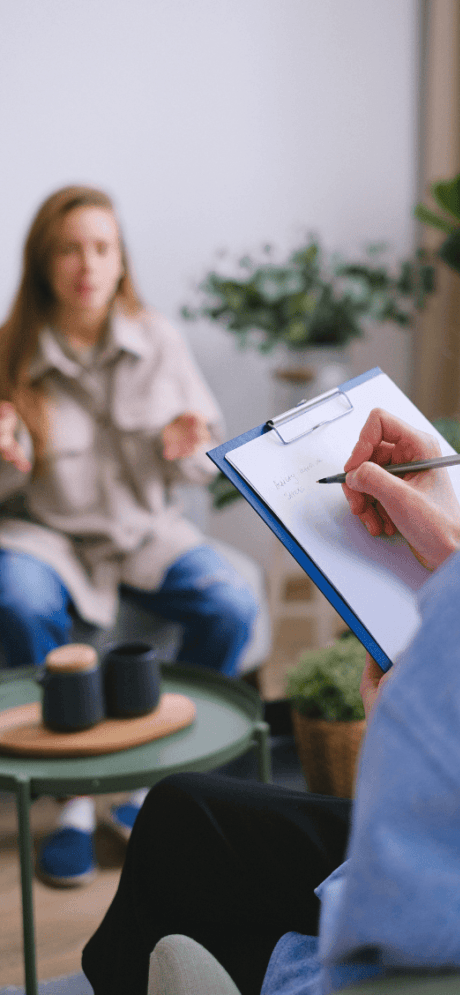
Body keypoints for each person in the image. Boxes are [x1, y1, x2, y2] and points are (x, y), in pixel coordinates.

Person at [82, 0, 460, 991]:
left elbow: (365, 972)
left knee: (189, 817)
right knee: (190, 809)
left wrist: (398, 765)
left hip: (389, 921)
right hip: (72, 544)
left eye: (100, 246)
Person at [0, 185, 259, 886]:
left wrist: (186, 452)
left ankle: (155, 786)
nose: (86, 263)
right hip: (48, 538)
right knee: (17, 597)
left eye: (101, 247)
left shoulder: (160, 340)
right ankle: (74, 801)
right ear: (43, 262)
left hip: (146, 535)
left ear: (121, 261)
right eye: (68, 248)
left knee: (232, 604)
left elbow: (197, 472)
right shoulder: (11, 348)